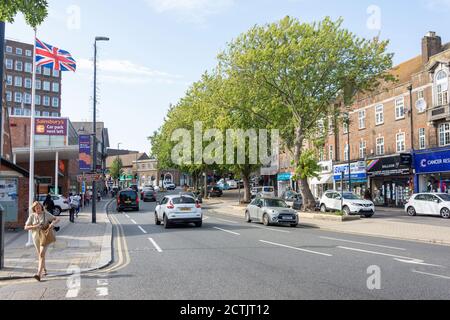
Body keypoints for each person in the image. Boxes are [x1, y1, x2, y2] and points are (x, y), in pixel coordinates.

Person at [24, 201, 60, 282]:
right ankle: (44, 269)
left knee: (41, 254)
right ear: (34, 209)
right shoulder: (32, 216)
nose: (38, 209)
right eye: (36, 208)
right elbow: (25, 227)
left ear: (41, 207)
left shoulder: (46, 214)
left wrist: (52, 223)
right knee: (40, 255)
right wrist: (35, 226)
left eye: (39, 207)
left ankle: (38, 274)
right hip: (36, 238)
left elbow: (57, 218)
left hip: (45, 237)